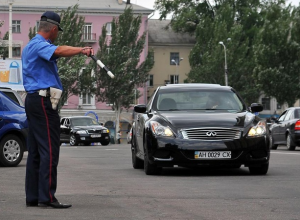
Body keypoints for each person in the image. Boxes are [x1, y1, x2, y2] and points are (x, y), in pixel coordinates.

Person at [22, 11, 94, 209]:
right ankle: (47, 197)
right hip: (43, 101)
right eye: (57, 32)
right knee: (50, 150)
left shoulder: (30, 45)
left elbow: (56, 51)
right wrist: (82, 50)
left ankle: (34, 196)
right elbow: (59, 50)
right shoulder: (40, 45)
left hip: (34, 101)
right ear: (53, 29)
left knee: (36, 150)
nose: (57, 36)